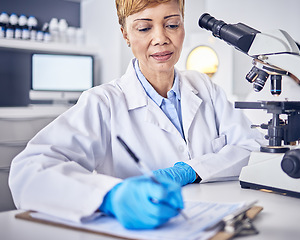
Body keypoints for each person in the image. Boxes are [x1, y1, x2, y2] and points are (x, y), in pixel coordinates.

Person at [9, 0, 263, 230]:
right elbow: (28, 172)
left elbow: (252, 147)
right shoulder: (103, 102)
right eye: (144, 28)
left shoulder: (204, 87)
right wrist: (110, 197)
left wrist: (190, 169)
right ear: (125, 34)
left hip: (211, 223)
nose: (161, 38)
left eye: (172, 24)